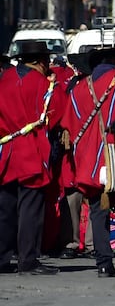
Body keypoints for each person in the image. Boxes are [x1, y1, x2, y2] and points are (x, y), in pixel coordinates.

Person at [62, 47, 115, 278]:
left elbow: (68, 124)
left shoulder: (79, 88)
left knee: (97, 212)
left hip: (89, 160)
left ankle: (103, 264)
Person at [0, 45, 66, 275]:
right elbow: (55, 113)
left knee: (5, 209)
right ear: (41, 61)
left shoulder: (4, 79)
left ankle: (2, 257)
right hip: (30, 150)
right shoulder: (42, 84)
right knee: (30, 209)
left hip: (6, 149)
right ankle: (27, 260)